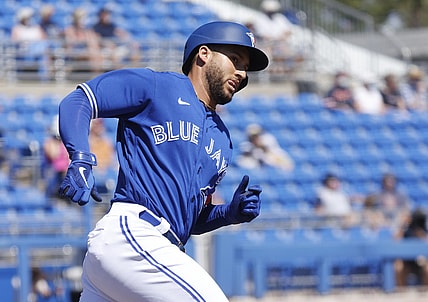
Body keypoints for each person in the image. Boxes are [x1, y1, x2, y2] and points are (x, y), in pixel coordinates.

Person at [58, 21, 268, 301]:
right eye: (235, 60)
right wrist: (80, 158)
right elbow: (80, 101)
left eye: (245, 68)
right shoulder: (157, 86)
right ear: (203, 54)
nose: (242, 73)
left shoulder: (223, 139)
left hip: (150, 255)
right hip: (133, 236)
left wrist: (228, 214)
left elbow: (190, 219)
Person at [10, 7, 50, 80]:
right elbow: (15, 41)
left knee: (42, 50)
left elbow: (44, 39)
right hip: (23, 51)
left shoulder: (36, 27)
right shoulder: (17, 28)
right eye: (28, 17)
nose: (30, 19)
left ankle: (44, 78)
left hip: (37, 51)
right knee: (38, 49)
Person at [394, 208, 428, 287]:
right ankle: (401, 293)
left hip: (421, 260)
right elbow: (395, 241)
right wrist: (403, 224)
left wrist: (420, 234)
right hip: (407, 261)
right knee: (398, 266)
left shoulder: (424, 229)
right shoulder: (406, 229)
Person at [63, 8, 102, 72]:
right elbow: (70, 45)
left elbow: (93, 42)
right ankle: (96, 75)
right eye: (82, 18)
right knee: (93, 54)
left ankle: (97, 74)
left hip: (87, 53)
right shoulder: (70, 30)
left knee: (96, 53)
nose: (84, 20)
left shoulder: (87, 31)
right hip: (74, 53)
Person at [43, 115, 70, 200]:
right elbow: (53, 155)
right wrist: (56, 142)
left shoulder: (67, 142)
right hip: (54, 170)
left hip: (65, 172)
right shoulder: (49, 142)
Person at [88, 118, 116, 194]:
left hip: (106, 171)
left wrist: (104, 167)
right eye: (96, 125)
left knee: (115, 177)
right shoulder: (86, 142)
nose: (99, 127)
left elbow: (111, 160)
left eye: (100, 125)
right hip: (93, 171)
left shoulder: (107, 142)